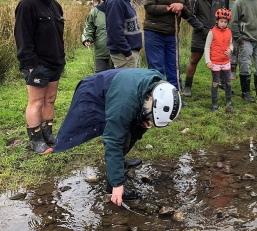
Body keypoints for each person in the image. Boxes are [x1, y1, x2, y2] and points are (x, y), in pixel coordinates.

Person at [54, 68, 182, 206]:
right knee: (119, 135)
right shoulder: (124, 104)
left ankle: (118, 164)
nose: (150, 115)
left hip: (117, 90)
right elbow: (113, 139)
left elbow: (138, 104)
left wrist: (141, 118)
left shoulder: (157, 84)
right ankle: (112, 185)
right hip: (93, 95)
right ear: (151, 99)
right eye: (151, 112)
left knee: (136, 126)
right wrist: (117, 184)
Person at [14, 0, 65, 155]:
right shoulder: (27, 5)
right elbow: (22, 37)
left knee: (50, 99)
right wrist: (30, 65)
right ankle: (36, 140)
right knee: (36, 101)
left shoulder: (55, 5)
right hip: (37, 65)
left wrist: (61, 58)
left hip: (56, 63)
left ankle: (48, 134)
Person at [143, 0, 191, 92]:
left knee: (174, 66)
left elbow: (189, 13)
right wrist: (170, 8)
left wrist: (183, 8)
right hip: (154, 32)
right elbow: (148, 6)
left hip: (172, 33)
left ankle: (175, 95)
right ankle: (158, 96)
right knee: (156, 67)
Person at [183, 0, 224, 97]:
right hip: (200, 35)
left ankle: (217, 85)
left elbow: (223, 16)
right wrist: (201, 27)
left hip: (216, 35)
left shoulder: (219, 0)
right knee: (194, 60)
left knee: (218, 61)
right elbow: (189, 15)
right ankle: (187, 86)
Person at [105, 0, 142, 69]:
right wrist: (127, 52)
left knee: (134, 84)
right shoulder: (115, 1)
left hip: (132, 52)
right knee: (127, 85)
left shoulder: (124, 0)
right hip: (124, 55)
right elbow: (114, 31)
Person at [204, 8, 234, 111]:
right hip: (215, 62)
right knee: (215, 83)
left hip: (226, 61)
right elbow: (207, 47)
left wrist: (230, 49)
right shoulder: (212, 32)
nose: (223, 24)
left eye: (225, 22)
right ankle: (214, 103)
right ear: (217, 21)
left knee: (228, 82)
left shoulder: (229, 32)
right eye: (221, 21)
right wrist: (208, 61)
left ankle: (229, 101)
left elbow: (231, 43)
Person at [82, 0, 115, 73]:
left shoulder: (120, 9)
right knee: (100, 74)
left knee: (117, 74)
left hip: (118, 50)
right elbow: (89, 26)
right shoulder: (96, 11)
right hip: (101, 49)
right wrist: (87, 39)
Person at [223, 0, 245, 80]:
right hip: (232, 27)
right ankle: (231, 72)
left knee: (243, 51)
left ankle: (243, 72)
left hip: (246, 28)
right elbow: (224, 10)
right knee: (232, 50)